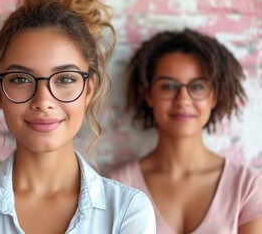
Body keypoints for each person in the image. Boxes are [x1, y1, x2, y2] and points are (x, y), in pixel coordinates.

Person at [0, 0, 156, 233]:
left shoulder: (127, 210)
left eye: (65, 79)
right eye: (21, 79)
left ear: (89, 90)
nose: (43, 101)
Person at [108, 29, 262, 233]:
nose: (183, 100)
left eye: (197, 87)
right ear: (149, 95)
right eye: (168, 86)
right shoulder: (116, 187)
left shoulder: (248, 187)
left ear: (214, 97)